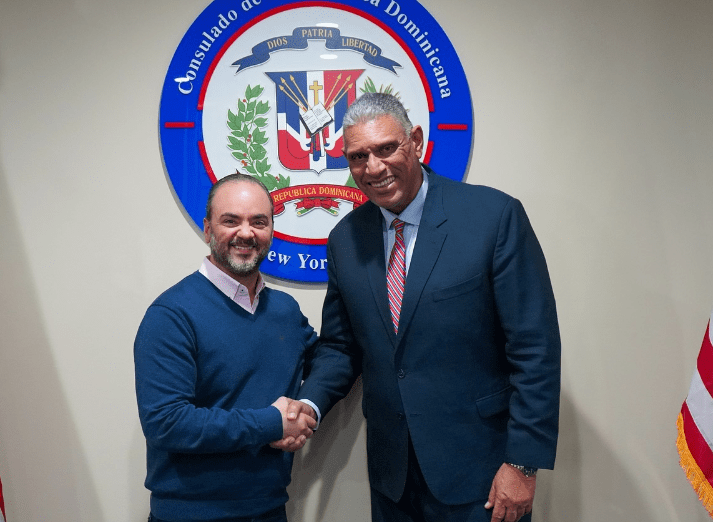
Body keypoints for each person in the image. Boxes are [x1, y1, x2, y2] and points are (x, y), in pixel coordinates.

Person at [280, 93, 561, 522]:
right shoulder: (345, 241)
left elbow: (535, 349)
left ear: (415, 139)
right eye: (358, 157)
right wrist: (310, 405)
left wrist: (523, 463)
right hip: (393, 478)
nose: (373, 168)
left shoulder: (492, 216)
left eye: (386, 148)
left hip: (481, 474)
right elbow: (341, 346)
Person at [134, 173, 317, 522]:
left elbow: (327, 362)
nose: (246, 233)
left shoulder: (285, 311)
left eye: (258, 222)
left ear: (271, 231)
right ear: (207, 229)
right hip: (190, 515)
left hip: (271, 509)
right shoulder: (171, 314)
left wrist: (309, 407)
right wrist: (270, 423)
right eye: (230, 221)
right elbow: (167, 422)